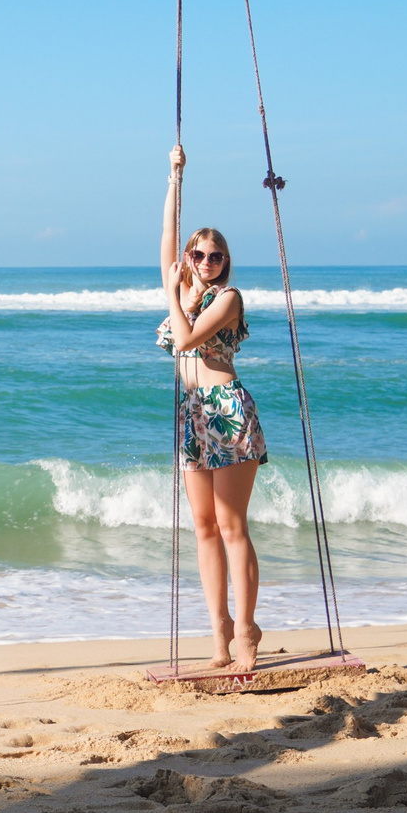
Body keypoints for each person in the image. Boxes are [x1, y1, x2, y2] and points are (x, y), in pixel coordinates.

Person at [158, 144, 268, 672]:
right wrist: (175, 177)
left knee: (231, 526)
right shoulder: (180, 282)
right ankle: (219, 631)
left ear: (225, 262)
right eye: (197, 254)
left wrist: (176, 299)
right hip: (192, 415)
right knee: (202, 527)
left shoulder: (228, 298)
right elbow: (164, 244)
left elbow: (185, 342)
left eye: (215, 255)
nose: (206, 262)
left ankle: (247, 631)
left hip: (226, 410)